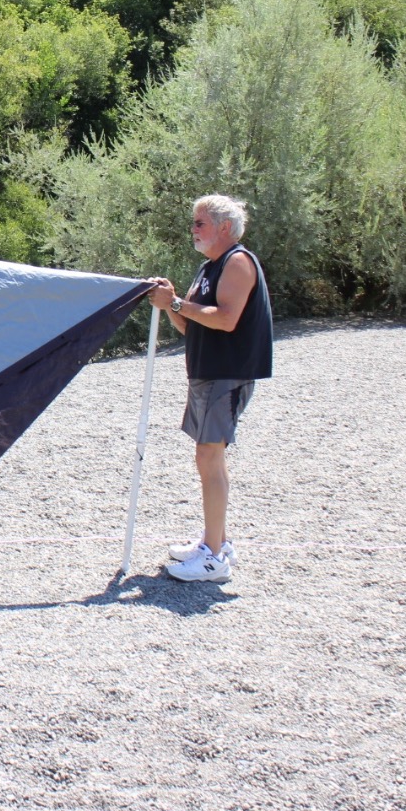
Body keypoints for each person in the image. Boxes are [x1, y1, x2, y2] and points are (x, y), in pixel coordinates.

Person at [146, 194, 273, 583]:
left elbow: (226, 319)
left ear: (223, 227)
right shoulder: (208, 267)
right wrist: (170, 305)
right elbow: (191, 324)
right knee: (208, 457)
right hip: (206, 371)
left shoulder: (237, 261)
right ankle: (215, 540)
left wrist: (178, 303)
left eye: (200, 223)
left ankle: (214, 558)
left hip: (227, 372)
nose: (193, 229)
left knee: (209, 456)